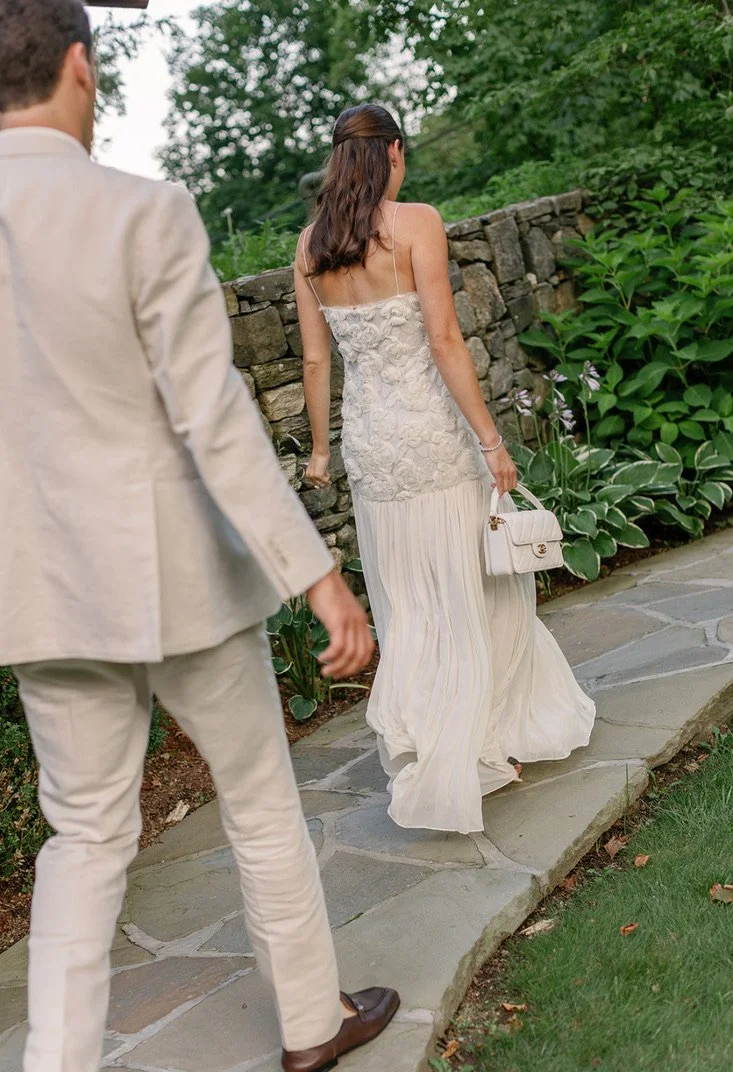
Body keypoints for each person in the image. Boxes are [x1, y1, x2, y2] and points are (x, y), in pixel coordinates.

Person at [0, 5, 399, 1072]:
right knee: (260, 798)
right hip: (172, 574)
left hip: (35, 591)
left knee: (83, 838)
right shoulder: (141, 210)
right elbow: (210, 414)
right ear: (80, 67)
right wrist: (317, 576)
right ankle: (312, 1023)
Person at [295, 103, 596, 836]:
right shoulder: (416, 222)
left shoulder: (310, 244)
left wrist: (321, 453)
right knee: (474, 585)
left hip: (372, 446)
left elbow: (313, 360)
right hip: (431, 435)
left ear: (339, 159)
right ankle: (481, 744)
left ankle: (446, 740)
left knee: (409, 602)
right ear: (392, 151)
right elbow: (443, 336)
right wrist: (490, 441)